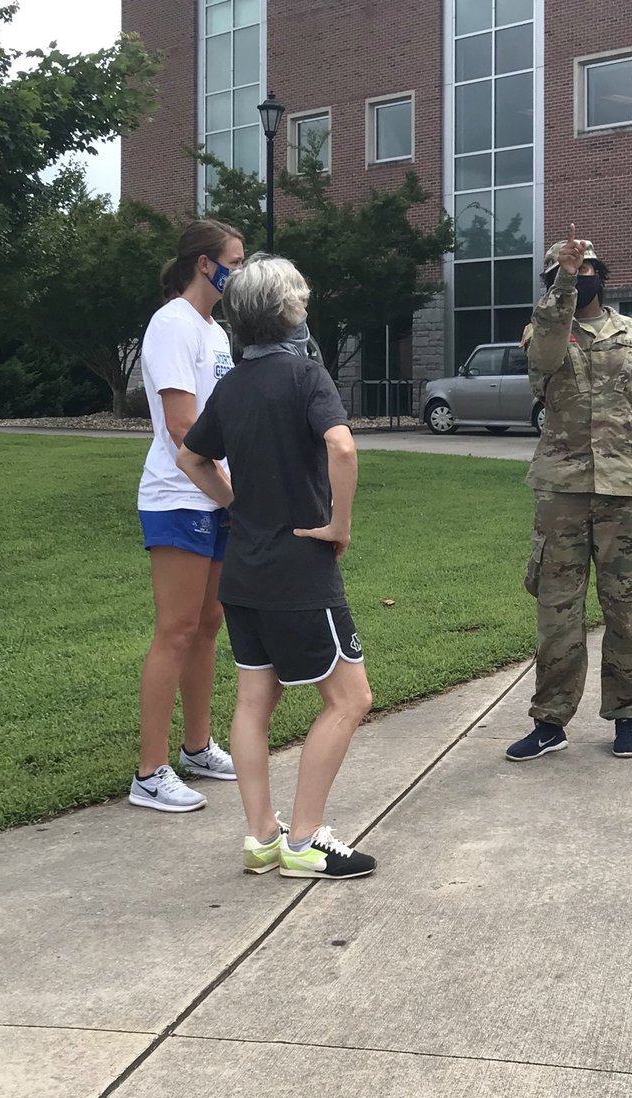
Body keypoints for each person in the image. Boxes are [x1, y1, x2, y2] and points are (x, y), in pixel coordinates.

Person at [176, 253, 377, 880]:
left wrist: (240, 502)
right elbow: (341, 446)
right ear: (288, 310)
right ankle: (306, 839)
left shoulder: (230, 387)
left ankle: (263, 836)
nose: (306, 308)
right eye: (302, 300)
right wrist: (339, 525)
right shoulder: (305, 375)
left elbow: (190, 459)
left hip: (244, 572)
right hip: (300, 572)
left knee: (254, 700)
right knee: (350, 699)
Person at [507, 224, 632, 763]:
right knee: (556, 611)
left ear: (601, 276)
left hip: (627, 490)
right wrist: (562, 281)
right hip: (562, 493)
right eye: (569, 269)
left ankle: (627, 715)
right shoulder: (542, 331)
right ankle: (550, 721)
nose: (580, 276)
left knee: (624, 608)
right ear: (554, 278)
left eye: (587, 269)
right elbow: (543, 358)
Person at [131, 219, 246, 814]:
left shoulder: (215, 331)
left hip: (215, 493)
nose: (240, 270)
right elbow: (182, 429)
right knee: (175, 630)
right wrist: (235, 499)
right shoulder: (172, 324)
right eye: (234, 259)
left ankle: (198, 748)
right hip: (178, 497)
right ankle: (150, 773)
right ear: (205, 263)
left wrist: (232, 490)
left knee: (208, 624)